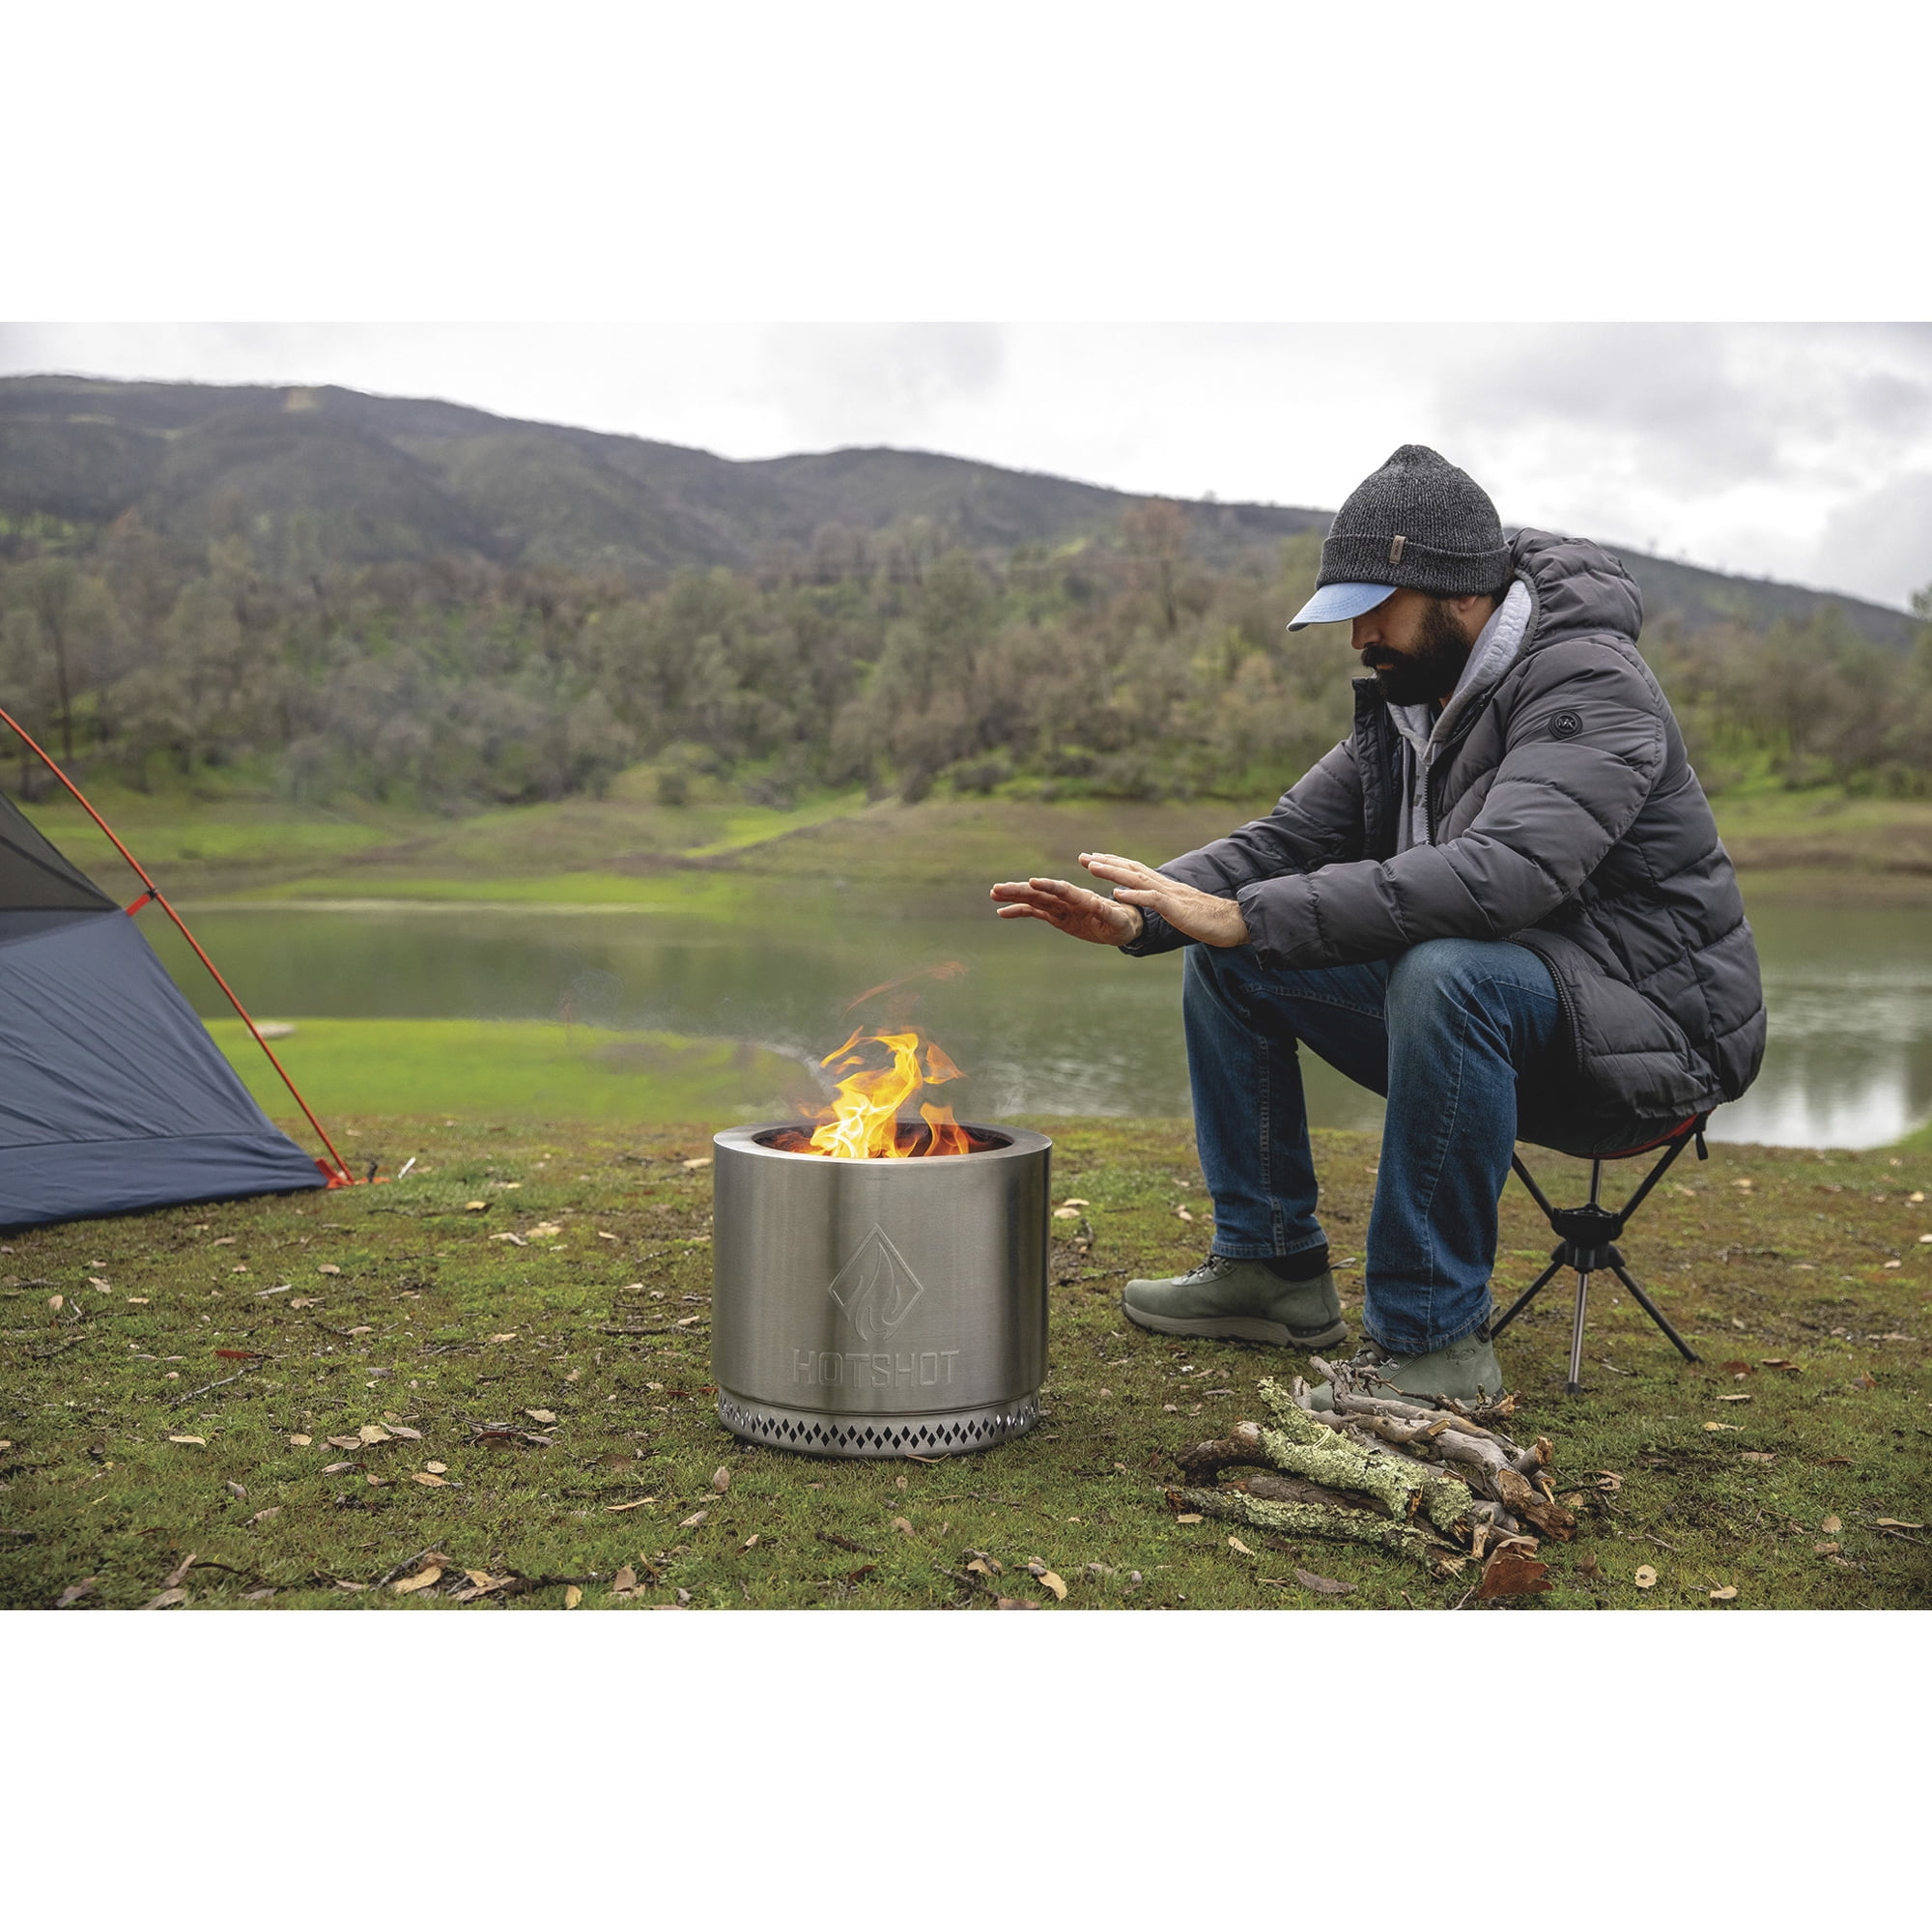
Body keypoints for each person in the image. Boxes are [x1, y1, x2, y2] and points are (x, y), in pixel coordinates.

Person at [990, 445, 1765, 1406]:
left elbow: (1503, 877)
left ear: (1459, 590)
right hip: (1519, 1015)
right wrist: (1144, 914)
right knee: (1235, 961)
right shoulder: (1413, 703)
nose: (1357, 635)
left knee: (1443, 972)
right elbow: (1283, 842)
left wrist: (1245, 915)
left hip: (1653, 1039)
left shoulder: (1587, 683)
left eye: (1375, 607)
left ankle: (1433, 1342)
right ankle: (1270, 1270)